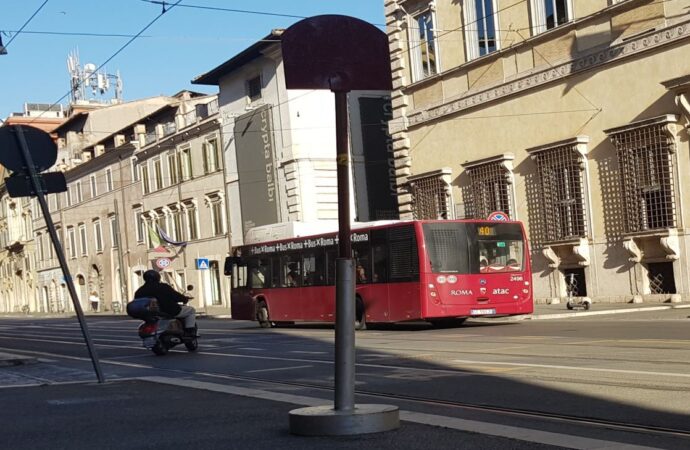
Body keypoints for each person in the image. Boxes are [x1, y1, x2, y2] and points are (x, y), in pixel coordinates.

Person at [134, 270, 196, 335]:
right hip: (168, 311)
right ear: (158, 277)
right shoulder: (163, 287)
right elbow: (175, 296)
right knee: (191, 310)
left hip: (150, 314)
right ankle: (189, 331)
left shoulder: (140, 291)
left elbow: (137, 302)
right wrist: (184, 299)